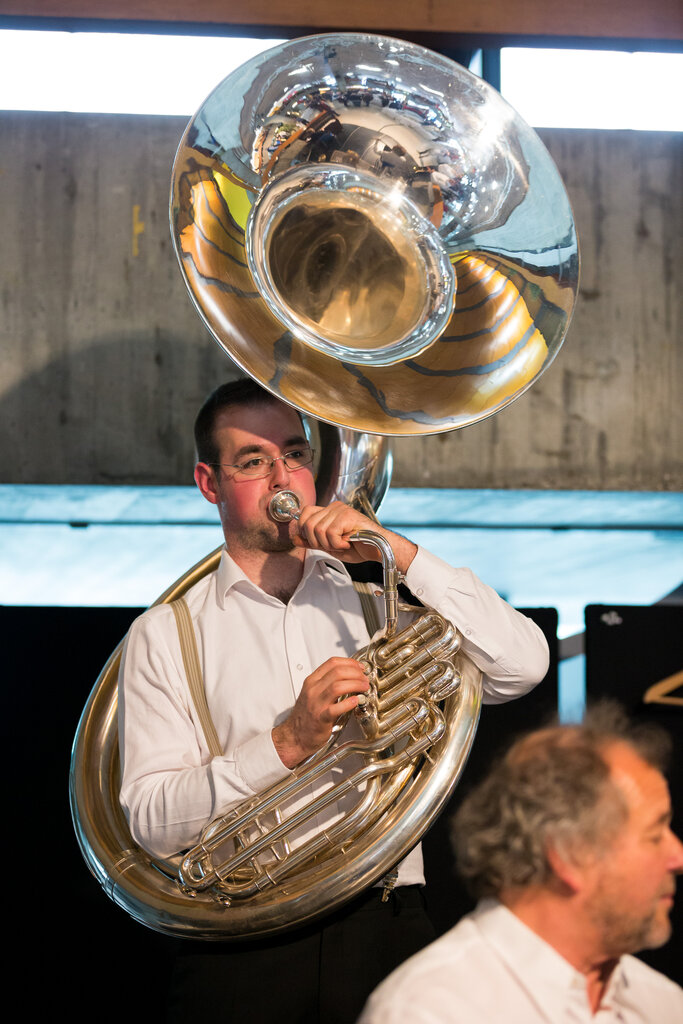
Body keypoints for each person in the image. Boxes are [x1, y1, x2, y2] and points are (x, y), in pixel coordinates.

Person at [117, 378, 550, 1023]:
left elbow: (524, 664)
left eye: (294, 454)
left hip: (385, 923)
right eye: (253, 461)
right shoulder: (163, 634)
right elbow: (152, 823)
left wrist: (393, 548)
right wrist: (286, 743)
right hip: (245, 944)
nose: (282, 478)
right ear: (209, 483)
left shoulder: (378, 599)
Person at [358, 702, 683, 1023]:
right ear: (570, 855)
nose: (678, 858)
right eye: (655, 835)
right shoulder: (429, 1012)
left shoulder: (662, 1003)